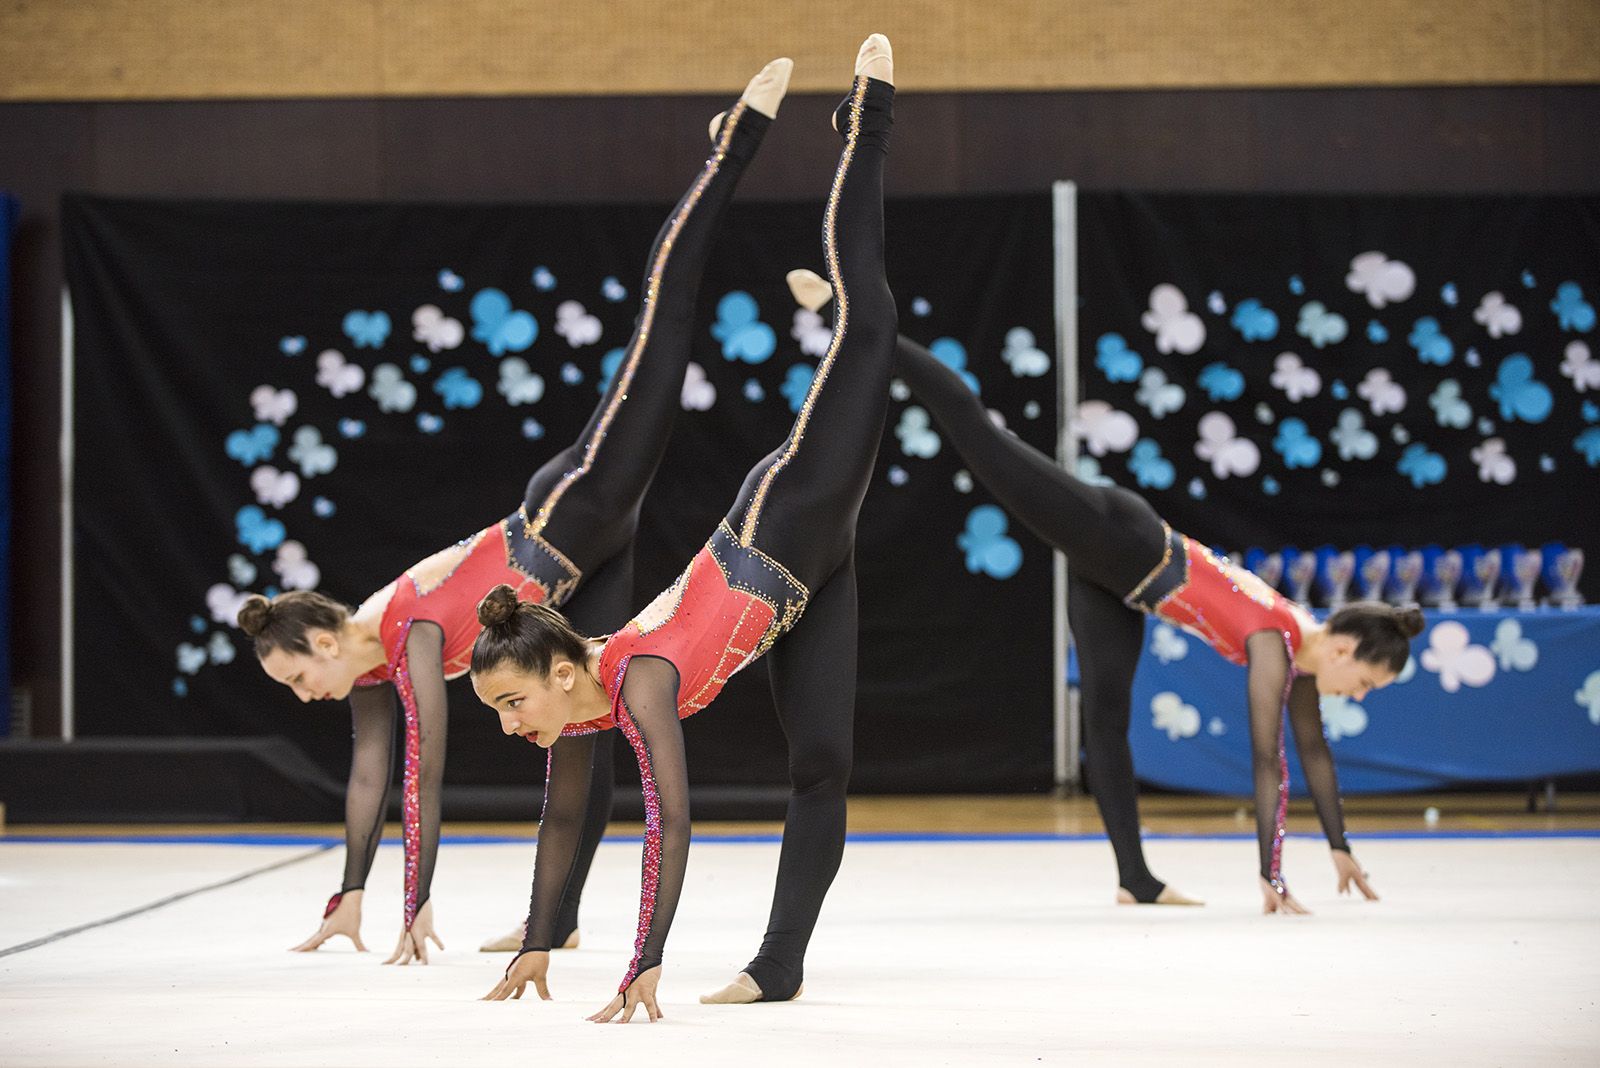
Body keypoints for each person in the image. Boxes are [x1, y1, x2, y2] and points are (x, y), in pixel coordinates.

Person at [233, 56, 793, 964]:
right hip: (593, 556)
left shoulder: (408, 626)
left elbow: (425, 769)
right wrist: (352, 894)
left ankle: (728, 154)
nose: (305, 697)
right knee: (584, 728)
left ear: (324, 643)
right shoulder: (373, 667)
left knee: (664, 324)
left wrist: (414, 903)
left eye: (297, 678)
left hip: (575, 504)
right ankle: (557, 920)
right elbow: (370, 772)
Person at [470, 34, 897, 1022]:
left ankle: (864, 128)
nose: (506, 724)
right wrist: (539, 941)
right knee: (823, 764)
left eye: (507, 703)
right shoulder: (586, 707)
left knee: (867, 324)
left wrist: (641, 964)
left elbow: (668, 820)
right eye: (495, 709)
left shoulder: (640, 679)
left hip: (782, 521)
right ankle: (779, 964)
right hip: (808, 583)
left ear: (561, 675)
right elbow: (565, 816)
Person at [868, 324, 1417, 914]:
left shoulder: (1299, 653)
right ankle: (869, 324)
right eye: (1364, 684)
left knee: (1105, 720)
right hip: (1117, 535)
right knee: (978, 434)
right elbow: (1268, 759)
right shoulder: (1273, 639)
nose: (1356, 696)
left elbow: (1314, 753)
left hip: (1121, 586)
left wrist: (1339, 846)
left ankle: (1136, 878)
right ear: (1343, 650)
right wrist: (1272, 874)